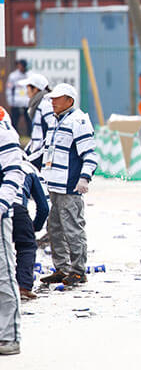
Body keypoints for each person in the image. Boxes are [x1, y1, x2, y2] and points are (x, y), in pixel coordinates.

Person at [39, 84, 97, 287]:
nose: (52, 102)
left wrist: (84, 178)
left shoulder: (78, 121)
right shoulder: (56, 122)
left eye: (57, 98)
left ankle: (78, 271)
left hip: (70, 188)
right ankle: (62, 268)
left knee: (73, 229)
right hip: (54, 187)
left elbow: (90, 154)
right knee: (54, 228)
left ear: (69, 101)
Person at [0, 122, 26, 355]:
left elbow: (14, 172)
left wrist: (1, 204)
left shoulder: (3, 133)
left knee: (3, 277)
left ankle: (9, 336)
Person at [13, 154, 49, 300]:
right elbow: (44, 207)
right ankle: (24, 287)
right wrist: (34, 227)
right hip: (16, 209)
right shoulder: (28, 169)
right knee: (27, 247)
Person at [19, 73, 54, 169]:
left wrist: (33, 158)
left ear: (35, 89)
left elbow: (51, 132)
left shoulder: (45, 105)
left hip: (41, 157)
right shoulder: (38, 105)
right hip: (35, 155)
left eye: (28, 88)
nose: (26, 92)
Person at [5, 59, 32, 136]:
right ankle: (14, 136)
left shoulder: (30, 75)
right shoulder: (13, 76)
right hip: (16, 103)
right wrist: (10, 101)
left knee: (29, 120)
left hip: (27, 102)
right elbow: (9, 89)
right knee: (14, 121)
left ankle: (29, 136)